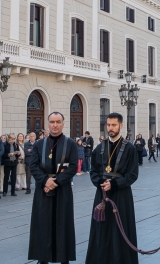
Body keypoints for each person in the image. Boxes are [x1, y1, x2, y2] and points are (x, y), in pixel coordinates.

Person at [86, 112, 139, 264]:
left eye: (114, 125)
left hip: (121, 195)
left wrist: (114, 184)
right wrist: (100, 183)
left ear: (121, 126)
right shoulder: (100, 147)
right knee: (101, 229)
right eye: (108, 125)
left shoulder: (129, 148)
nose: (110, 128)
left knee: (121, 230)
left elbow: (132, 174)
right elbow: (94, 170)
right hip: (102, 194)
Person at [27, 112, 78, 264]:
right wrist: (45, 181)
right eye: (52, 122)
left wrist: (56, 181)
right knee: (42, 224)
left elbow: (73, 166)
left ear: (63, 124)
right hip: (43, 190)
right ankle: (43, 258)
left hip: (62, 190)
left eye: (58, 122)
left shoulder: (71, 144)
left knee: (63, 223)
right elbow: (33, 165)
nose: (55, 125)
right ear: (48, 124)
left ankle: (63, 258)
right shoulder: (39, 144)